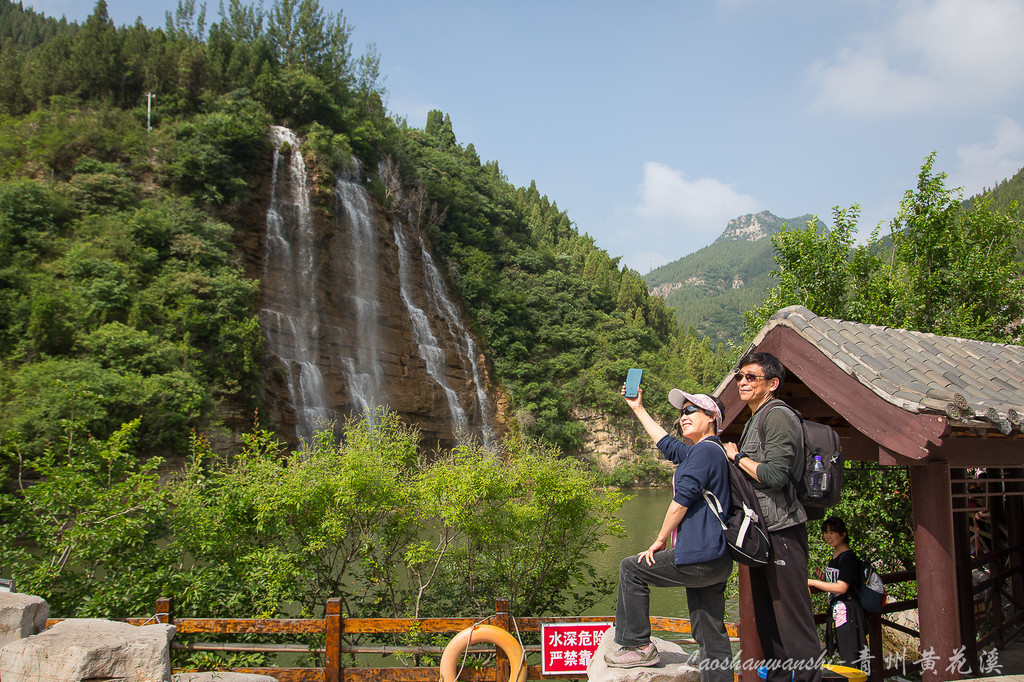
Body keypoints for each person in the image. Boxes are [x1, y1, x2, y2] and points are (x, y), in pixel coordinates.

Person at [605, 385, 734, 682]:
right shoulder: (706, 451)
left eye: (691, 411)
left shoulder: (704, 452)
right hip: (716, 560)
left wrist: (659, 541)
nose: (683, 417)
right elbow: (666, 444)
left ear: (712, 417)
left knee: (632, 569)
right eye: (681, 413)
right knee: (709, 629)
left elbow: (681, 503)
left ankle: (637, 645)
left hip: (698, 556)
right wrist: (637, 408)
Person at [722, 351, 822, 682]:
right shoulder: (755, 418)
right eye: (740, 377)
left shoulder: (777, 416)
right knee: (769, 623)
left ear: (772, 383)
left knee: (793, 621)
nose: (742, 382)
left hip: (782, 531)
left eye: (751, 377)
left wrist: (737, 458)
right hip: (763, 532)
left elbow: (776, 475)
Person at [807, 517, 868, 669]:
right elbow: (837, 581)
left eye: (832, 532)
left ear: (843, 535)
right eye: (825, 532)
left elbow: (842, 587)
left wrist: (813, 582)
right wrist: (824, 579)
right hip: (839, 612)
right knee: (842, 652)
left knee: (850, 656)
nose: (828, 536)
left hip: (849, 612)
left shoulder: (848, 557)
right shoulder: (836, 555)